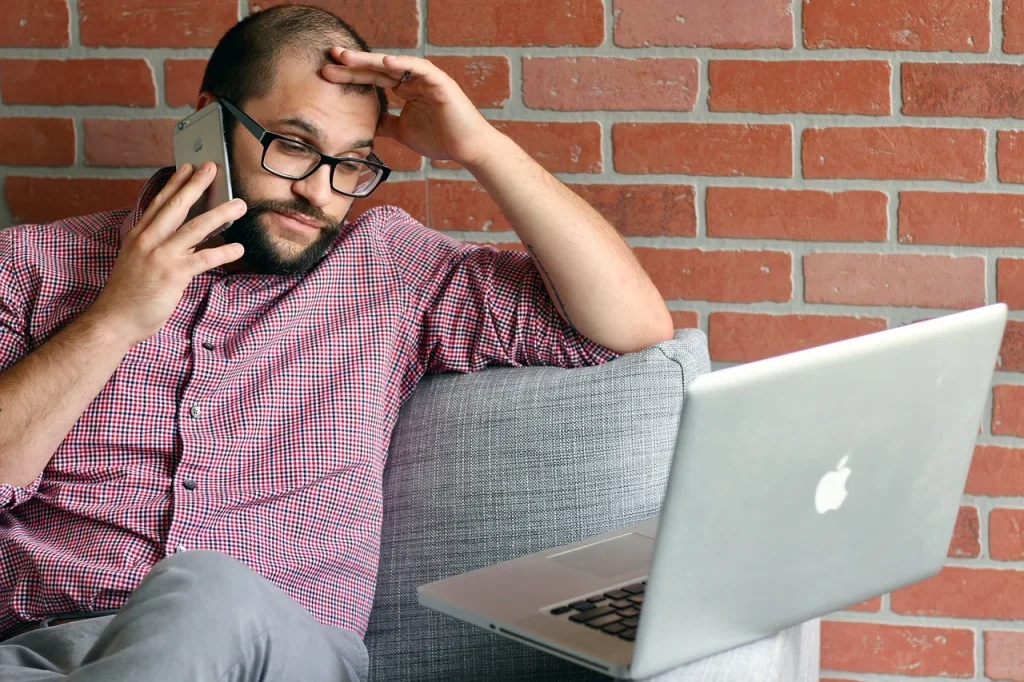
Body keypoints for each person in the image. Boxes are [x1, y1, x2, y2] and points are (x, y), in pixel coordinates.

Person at [0, 5, 673, 680]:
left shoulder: (389, 272)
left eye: (351, 165)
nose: (319, 193)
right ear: (209, 121)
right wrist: (114, 320)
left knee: (202, 590)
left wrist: (480, 147)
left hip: (275, 653)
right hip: (37, 653)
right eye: (292, 146)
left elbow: (630, 326)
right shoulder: (31, 266)